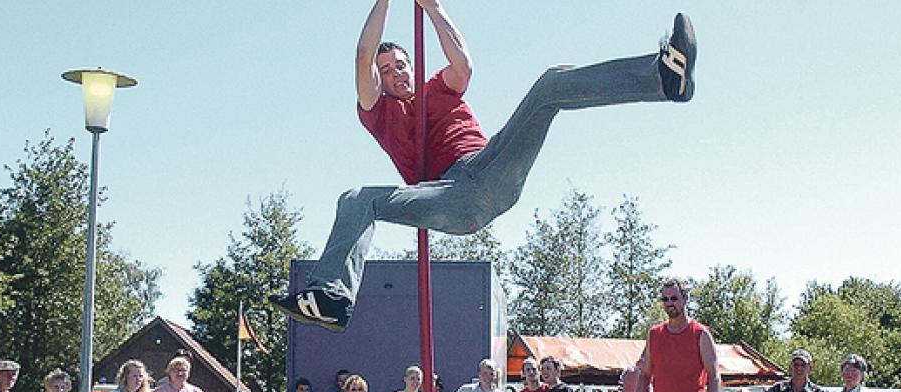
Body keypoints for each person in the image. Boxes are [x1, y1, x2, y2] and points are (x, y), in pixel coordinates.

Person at [269, 0, 697, 332]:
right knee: (357, 199)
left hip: (492, 167)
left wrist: (433, 9)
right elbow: (363, 54)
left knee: (549, 86)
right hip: (451, 199)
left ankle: (663, 78)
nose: (396, 73)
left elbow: (464, 64)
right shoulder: (377, 111)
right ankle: (330, 296)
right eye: (387, 71)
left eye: (401, 64)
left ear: (412, 66)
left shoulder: (439, 87)